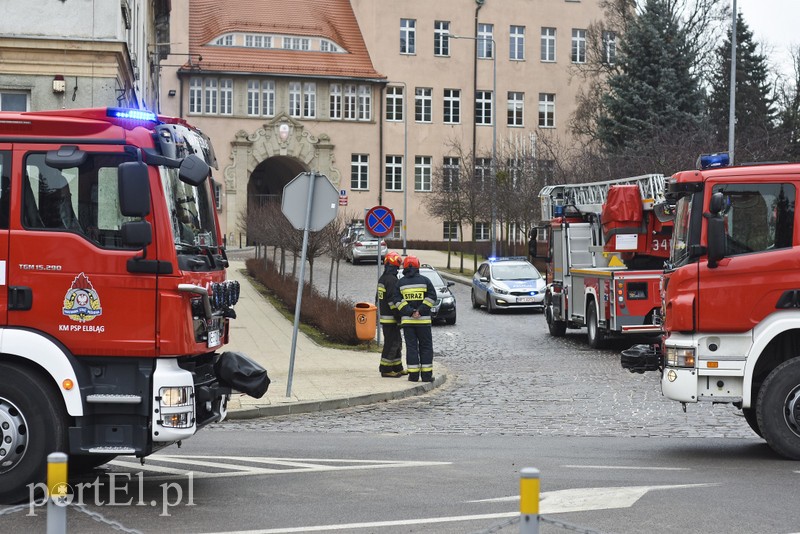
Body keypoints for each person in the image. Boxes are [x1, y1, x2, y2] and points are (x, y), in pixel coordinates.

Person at [393, 255, 437, 382]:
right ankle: (426, 376)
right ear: (418, 266)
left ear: (405, 267)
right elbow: (432, 297)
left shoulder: (400, 283)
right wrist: (420, 311)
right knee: (426, 347)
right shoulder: (425, 281)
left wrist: (410, 312)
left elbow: (397, 300)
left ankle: (413, 376)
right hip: (423, 322)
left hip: (408, 322)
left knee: (411, 348)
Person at [377, 251, 405, 378]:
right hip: (391, 318)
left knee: (397, 342)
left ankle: (397, 367)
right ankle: (385, 368)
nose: (399, 268)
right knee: (391, 343)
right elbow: (393, 301)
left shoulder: (383, 279)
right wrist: (399, 316)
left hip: (384, 316)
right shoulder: (392, 280)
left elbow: (378, 298)